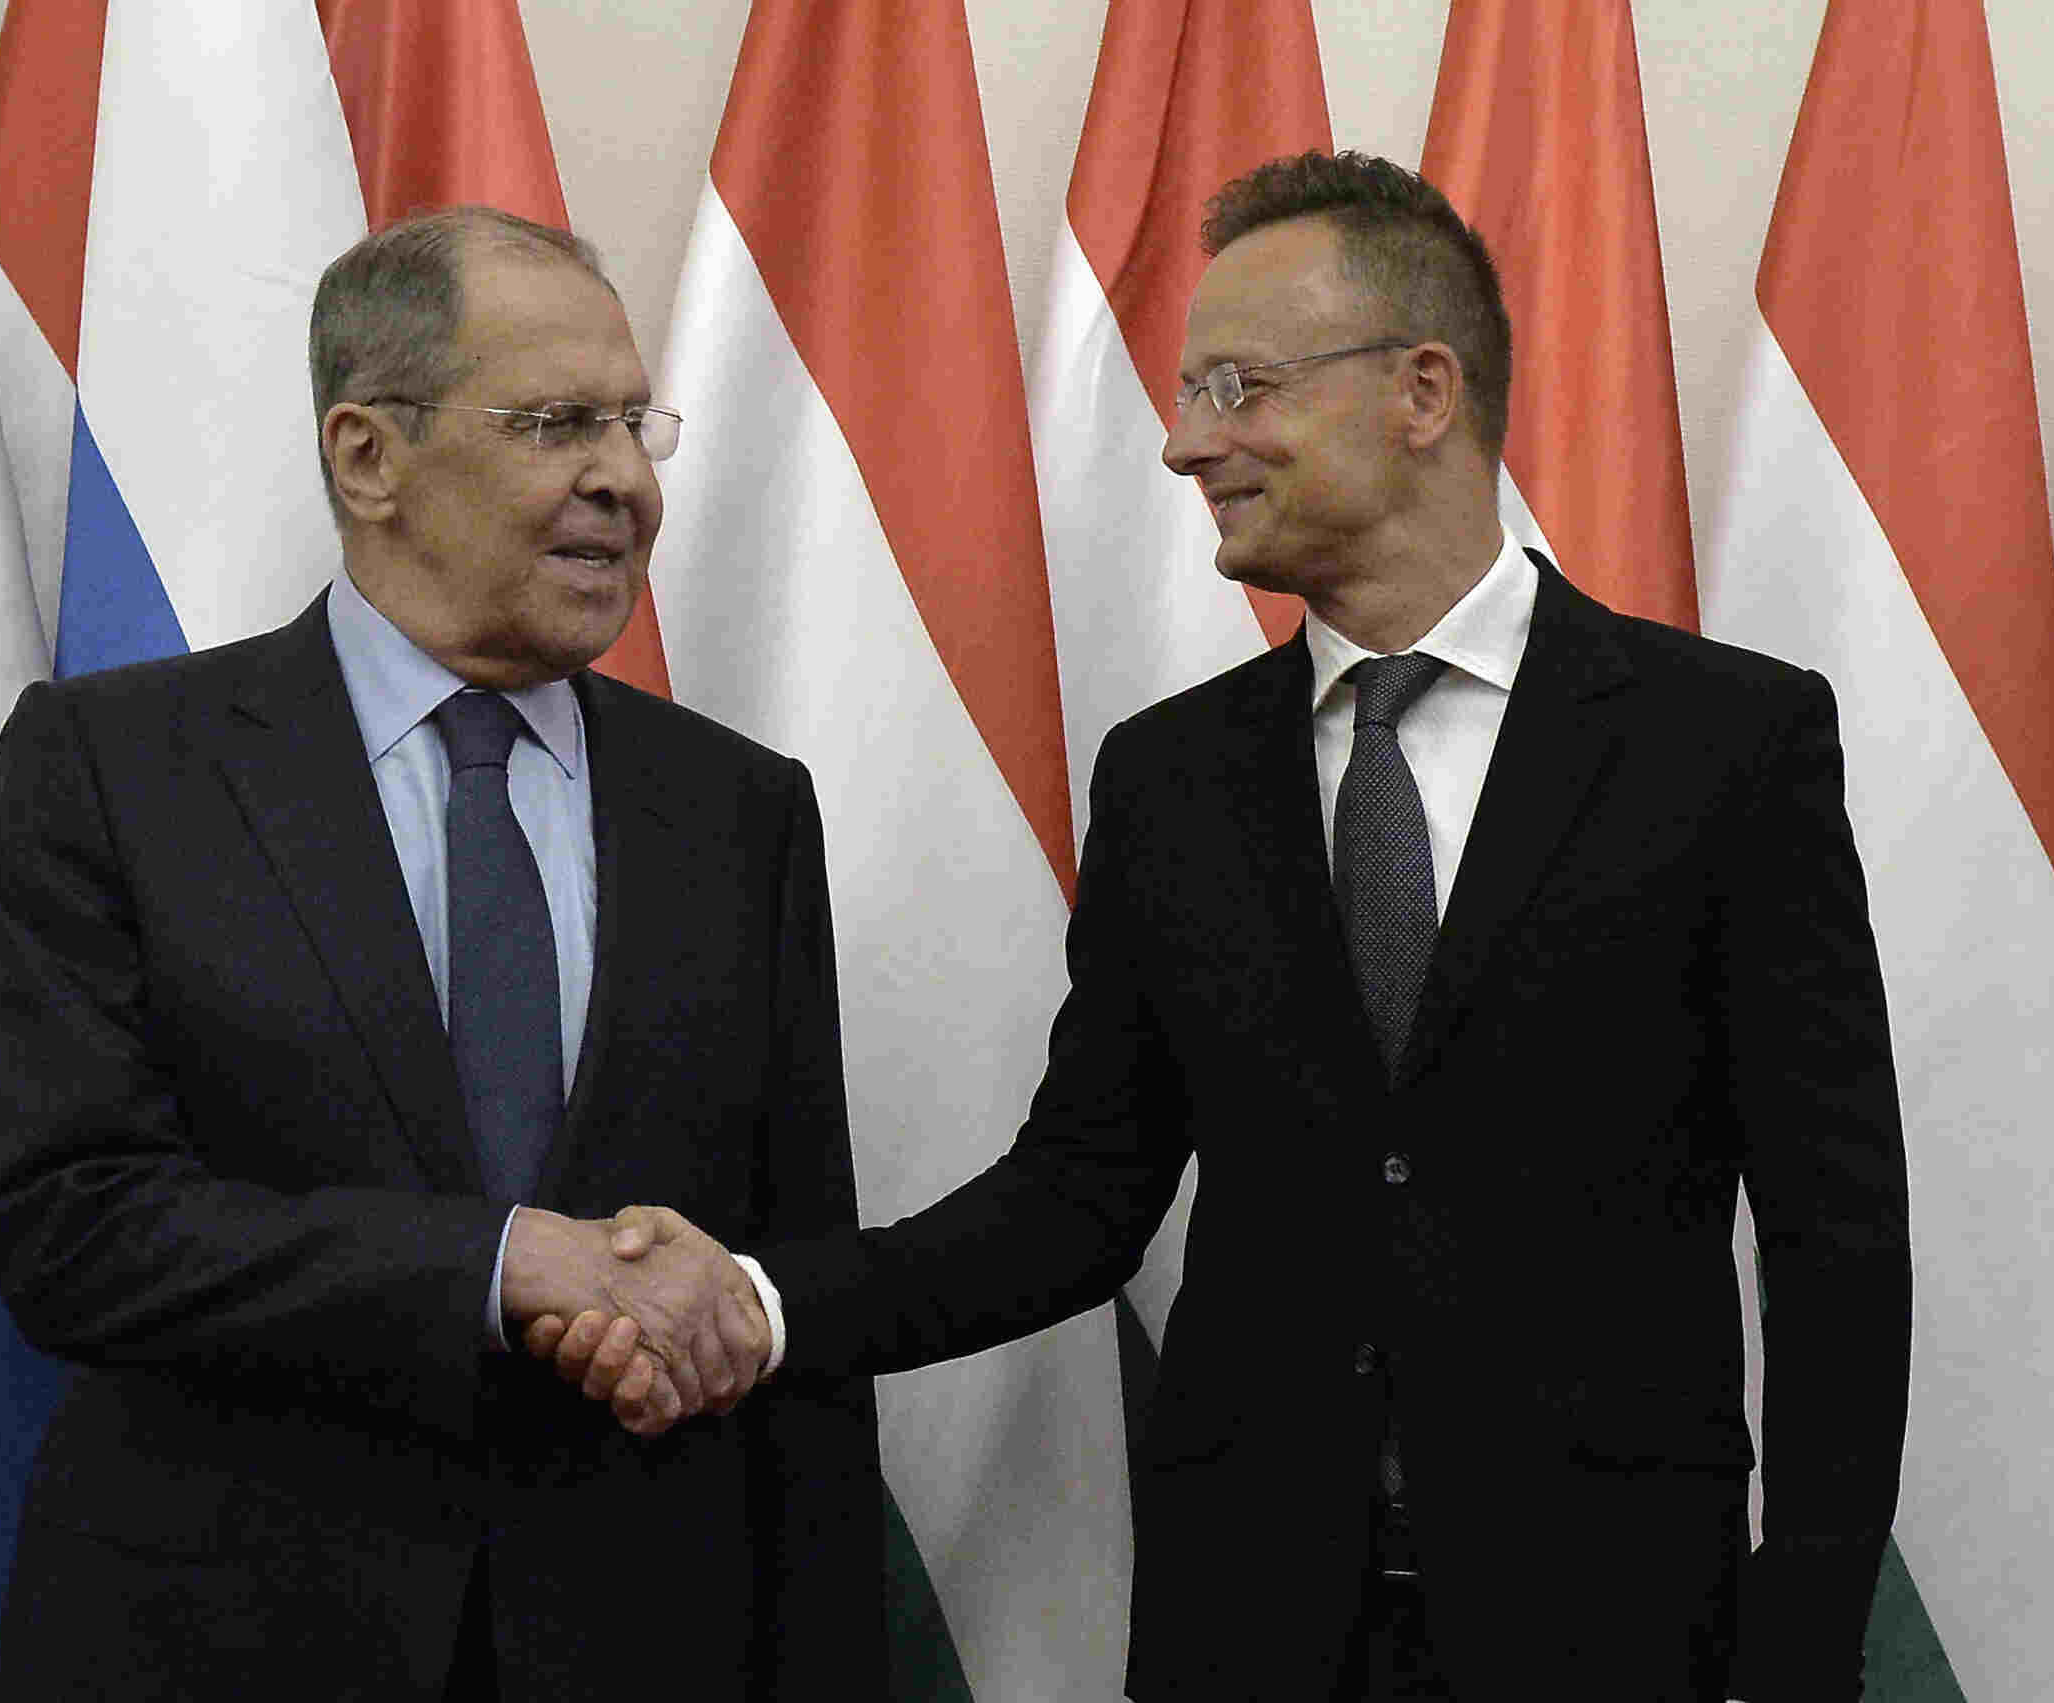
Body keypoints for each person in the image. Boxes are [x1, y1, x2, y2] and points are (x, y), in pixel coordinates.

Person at [544, 152, 1912, 1701]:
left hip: (1616, 1632)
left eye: (1237, 387)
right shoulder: (1172, 778)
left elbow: (1836, 1236)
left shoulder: (1723, 745)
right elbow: (1074, 1200)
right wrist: (760, 1302)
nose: (1189, 442)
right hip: (1251, 1629)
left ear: (1422, 391)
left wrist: (1803, 1643)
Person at [0, 207, 881, 1701]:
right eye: (557, 424)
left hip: (644, 1643)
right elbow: (72, 1229)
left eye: (635, 425)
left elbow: (796, 1294)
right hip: (229, 1648)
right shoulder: (116, 767)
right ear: (367, 457)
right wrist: (504, 1264)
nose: (628, 480)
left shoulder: (738, 809)